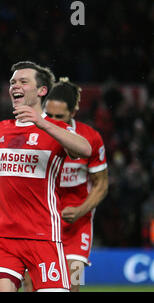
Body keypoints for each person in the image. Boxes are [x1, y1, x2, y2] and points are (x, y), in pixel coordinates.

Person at [0, 61, 92, 292]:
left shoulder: (54, 128)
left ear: (42, 90)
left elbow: (84, 149)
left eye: (24, 81)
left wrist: (42, 123)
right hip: (4, 239)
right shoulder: (3, 128)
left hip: (43, 237)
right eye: (13, 81)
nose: (15, 85)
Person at [22, 78, 108, 292]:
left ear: (73, 113)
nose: (51, 120)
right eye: (48, 115)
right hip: (40, 223)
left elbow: (101, 185)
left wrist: (80, 211)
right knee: (30, 286)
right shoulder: (32, 134)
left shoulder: (90, 139)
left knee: (73, 285)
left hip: (76, 226)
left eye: (59, 117)